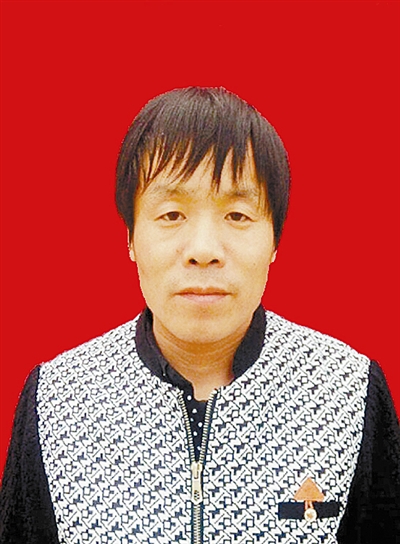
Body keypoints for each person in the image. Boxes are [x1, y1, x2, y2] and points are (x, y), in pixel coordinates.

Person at [0, 87, 399, 544]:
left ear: (275, 240)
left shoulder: (347, 391)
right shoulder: (58, 400)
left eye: (237, 215)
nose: (204, 250)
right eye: (172, 214)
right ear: (130, 237)